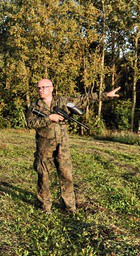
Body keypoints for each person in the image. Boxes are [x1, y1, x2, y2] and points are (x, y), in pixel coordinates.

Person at [25, 79, 121, 213]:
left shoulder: (63, 101)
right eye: (39, 88)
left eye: (44, 87)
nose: (41, 90)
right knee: (43, 178)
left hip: (61, 146)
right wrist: (49, 118)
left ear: (52, 88)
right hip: (44, 147)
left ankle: (70, 208)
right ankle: (45, 207)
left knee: (66, 177)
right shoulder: (34, 107)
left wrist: (106, 95)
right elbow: (29, 123)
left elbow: (85, 98)